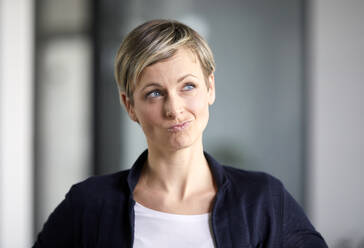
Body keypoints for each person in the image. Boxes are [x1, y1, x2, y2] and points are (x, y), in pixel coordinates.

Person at [33, 19, 328, 247]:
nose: (174, 109)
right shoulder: (88, 203)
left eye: (188, 86)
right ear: (129, 105)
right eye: (154, 93)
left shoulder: (264, 200)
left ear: (210, 87)